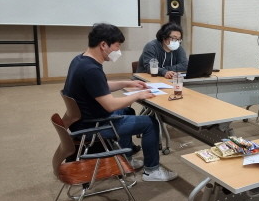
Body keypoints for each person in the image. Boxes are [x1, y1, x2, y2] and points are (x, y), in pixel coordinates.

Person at [63, 23, 178, 182]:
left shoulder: (80, 60)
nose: (118, 51)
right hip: (93, 126)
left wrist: (127, 83)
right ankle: (152, 171)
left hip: (82, 120)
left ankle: (126, 159)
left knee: (128, 111)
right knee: (150, 123)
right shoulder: (91, 70)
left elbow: (100, 87)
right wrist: (138, 95)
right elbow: (110, 105)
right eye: (117, 46)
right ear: (104, 45)